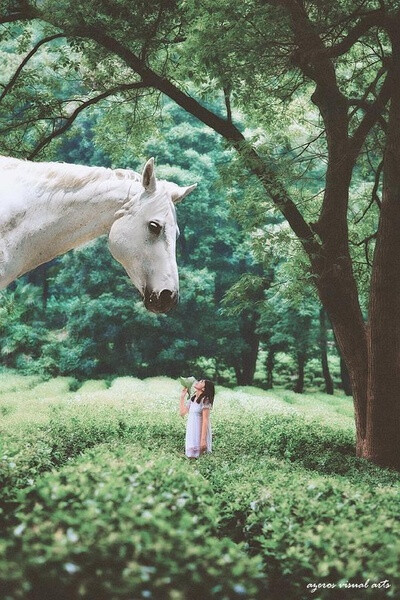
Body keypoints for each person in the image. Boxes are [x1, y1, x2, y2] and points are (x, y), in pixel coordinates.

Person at [179, 379, 215, 458]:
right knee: (191, 457)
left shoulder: (205, 400)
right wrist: (182, 397)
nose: (198, 382)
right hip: (192, 430)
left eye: (201, 382)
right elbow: (182, 413)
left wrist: (203, 440)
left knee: (200, 458)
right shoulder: (193, 398)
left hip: (200, 432)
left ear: (204, 389)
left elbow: (205, 420)